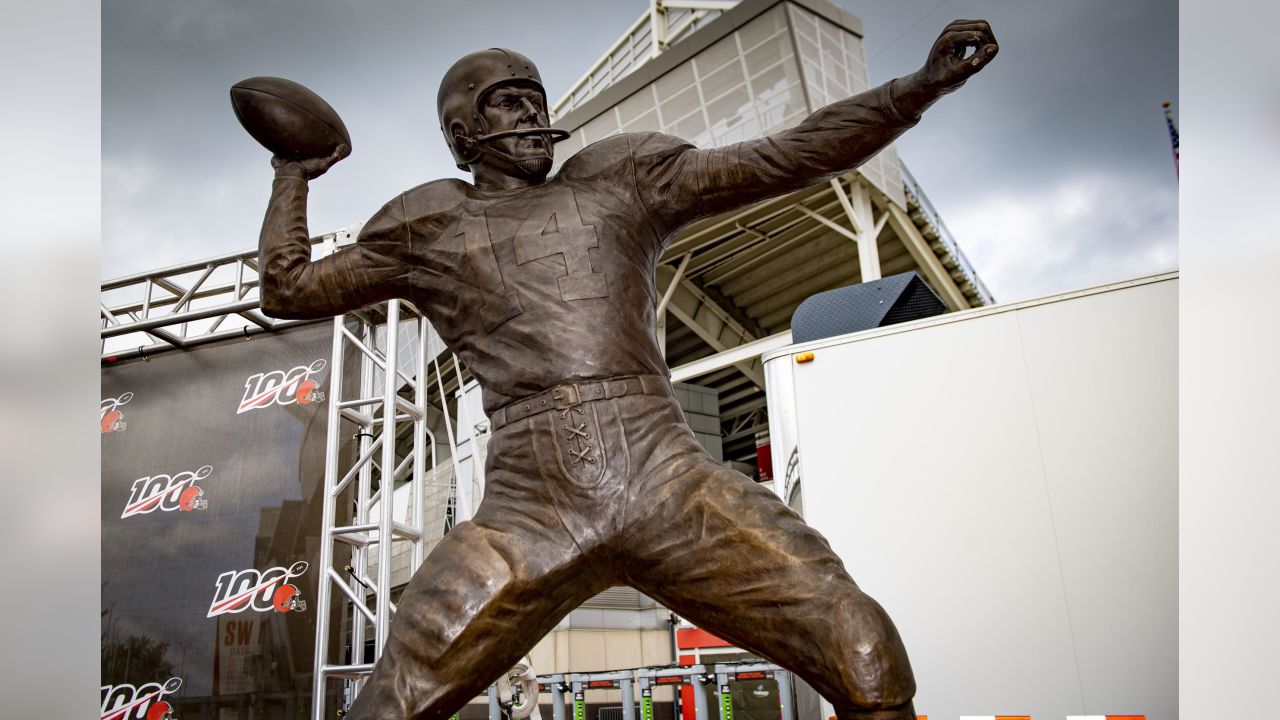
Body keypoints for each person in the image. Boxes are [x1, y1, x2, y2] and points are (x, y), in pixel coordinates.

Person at [258, 19, 998, 720]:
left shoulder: (621, 179)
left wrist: (917, 88)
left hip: (664, 477)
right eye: (506, 104)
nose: (527, 114)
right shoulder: (431, 225)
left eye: (533, 99)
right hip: (528, 507)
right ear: (462, 136)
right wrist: (294, 172)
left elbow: (790, 153)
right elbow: (289, 288)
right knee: (395, 698)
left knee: (860, 642)